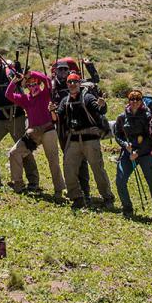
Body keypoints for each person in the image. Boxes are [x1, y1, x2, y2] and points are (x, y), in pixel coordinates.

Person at [54, 71, 114, 209]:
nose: (72, 84)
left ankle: (107, 197)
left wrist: (102, 105)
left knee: (97, 169)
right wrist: (52, 111)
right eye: (70, 82)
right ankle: (76, 197)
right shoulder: (65, 101)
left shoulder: (87, 97)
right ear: (67, 84)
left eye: (75, 81)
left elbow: (99, 109)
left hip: (90, 139)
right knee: (69, 168)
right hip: (74, 139)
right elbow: (59, 117)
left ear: (80, 83)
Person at [0, 52, 39, 190]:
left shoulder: (10, 73)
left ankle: (33, 181)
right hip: (1, 119)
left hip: (16, 117)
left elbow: (24, 83)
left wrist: (20, 74)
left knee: (24, 148)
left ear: (0, 61)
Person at [5, 69, 65, 201]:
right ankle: (18, 184)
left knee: (53, 161)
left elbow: (47, 80)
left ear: (39, 84)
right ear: (27, 87)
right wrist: (15, 81)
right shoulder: (26, 99)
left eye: (35, 84)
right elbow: (9, 95)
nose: (33, 87)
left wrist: (31, 74)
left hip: (49, 130)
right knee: (14, 153)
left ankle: (59, 190)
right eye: (29, 85)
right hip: (33, 133)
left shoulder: (46, 94)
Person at [114, 90, 152, 222]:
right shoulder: (122, 117)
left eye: (137, 99)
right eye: (132, 99)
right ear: (128, 101)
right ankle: (127, 208)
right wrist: (125, 145)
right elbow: (117, 134)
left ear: (141, 101)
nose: (135, 102)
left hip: (145, 154)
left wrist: (138, 152)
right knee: (120, 180)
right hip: (128, 153)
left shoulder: (148, 116)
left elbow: (151, 138)